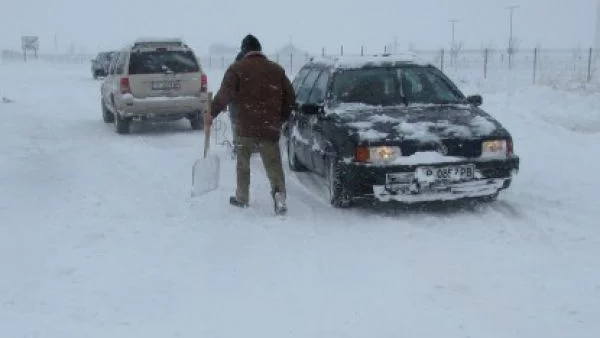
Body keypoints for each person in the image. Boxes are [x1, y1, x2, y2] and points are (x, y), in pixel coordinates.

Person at [204, 34, 295, 215]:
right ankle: (279, 197)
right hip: (269, 126)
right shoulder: (276, 70)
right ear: (260, 50)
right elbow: (290, 97)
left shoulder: (237, 69)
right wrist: (280, 118)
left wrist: (211, 113)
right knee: (273, 165)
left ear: (244, 51)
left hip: (244, 126)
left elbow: (224, 95)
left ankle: (242, 196)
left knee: (243, 163)